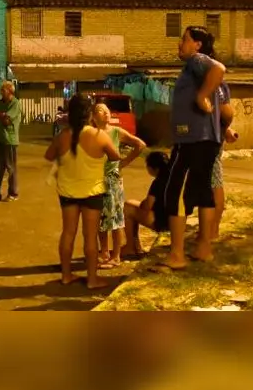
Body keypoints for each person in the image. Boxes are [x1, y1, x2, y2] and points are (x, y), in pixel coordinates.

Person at [151, 25, 226, 272]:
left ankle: (177, 255)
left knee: (176, 193)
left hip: (192, 139)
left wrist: (202, 96)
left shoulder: (198, 60)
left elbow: (219, 69)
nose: (179, 44)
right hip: (206, 139)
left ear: (197, 45)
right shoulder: (195, 68)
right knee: (203, 192)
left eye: (184, 40)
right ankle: (204, 248)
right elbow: (225, 107)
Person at [44, 93, 121, 289]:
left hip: (68, 193)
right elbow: (115, 156)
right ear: (89, 114)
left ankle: (66, 275)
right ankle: (92, 279)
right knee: (90, 236)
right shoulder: (99, 136)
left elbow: (49, 155)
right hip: (92, 192)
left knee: (68, 233)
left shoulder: (62, 136)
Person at [92, 103, 146, 269]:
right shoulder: (91, 134)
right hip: (95, 181)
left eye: (108, 110)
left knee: (115, 219)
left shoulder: (116, 132)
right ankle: (104, 252)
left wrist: (123, 163)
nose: (106, 113)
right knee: (99, 219)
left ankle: (116, 255)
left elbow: (140, 145)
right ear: (93, 117)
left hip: (113, 181)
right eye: (101, 111)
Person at [121, 151, 173, 259]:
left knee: (127, 209)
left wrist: (144, 203)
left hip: (162, 221)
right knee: (131, 203)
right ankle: (137, 246)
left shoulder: (158, 182)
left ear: (154, 168)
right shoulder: (173, 178)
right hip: (174, 219)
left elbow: (147, 206)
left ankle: (130, 247)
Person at [212, 82, 238, 240]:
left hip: (208, 143)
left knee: (214, 184)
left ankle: (212, 232)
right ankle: (209, 230)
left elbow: (226, 113)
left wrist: (224, 128)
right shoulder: (216, 85)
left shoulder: (216, 86)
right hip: (209, 140)